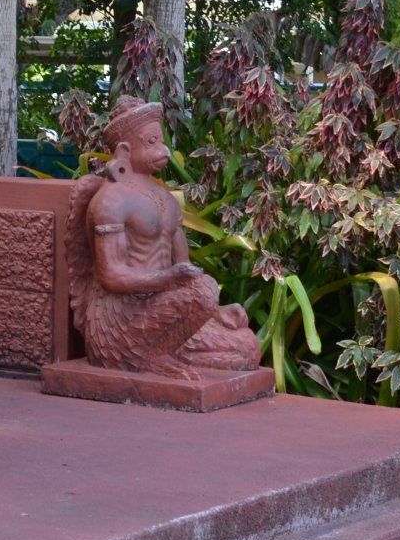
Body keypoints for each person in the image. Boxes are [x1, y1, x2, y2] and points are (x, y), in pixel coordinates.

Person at [68, 95, 260, 377]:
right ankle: (152, 359)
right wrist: (170, 280)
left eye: (161, 141)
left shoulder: (166, 200)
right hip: (121, 321)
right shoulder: (110, 201)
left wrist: (214, 313)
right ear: (124, 150)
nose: (164, 150)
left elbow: (183, 270)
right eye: (151, 143)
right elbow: (111, 276)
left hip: (161, 315)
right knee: (204, 289)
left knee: (247, 347)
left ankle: (164, 351)